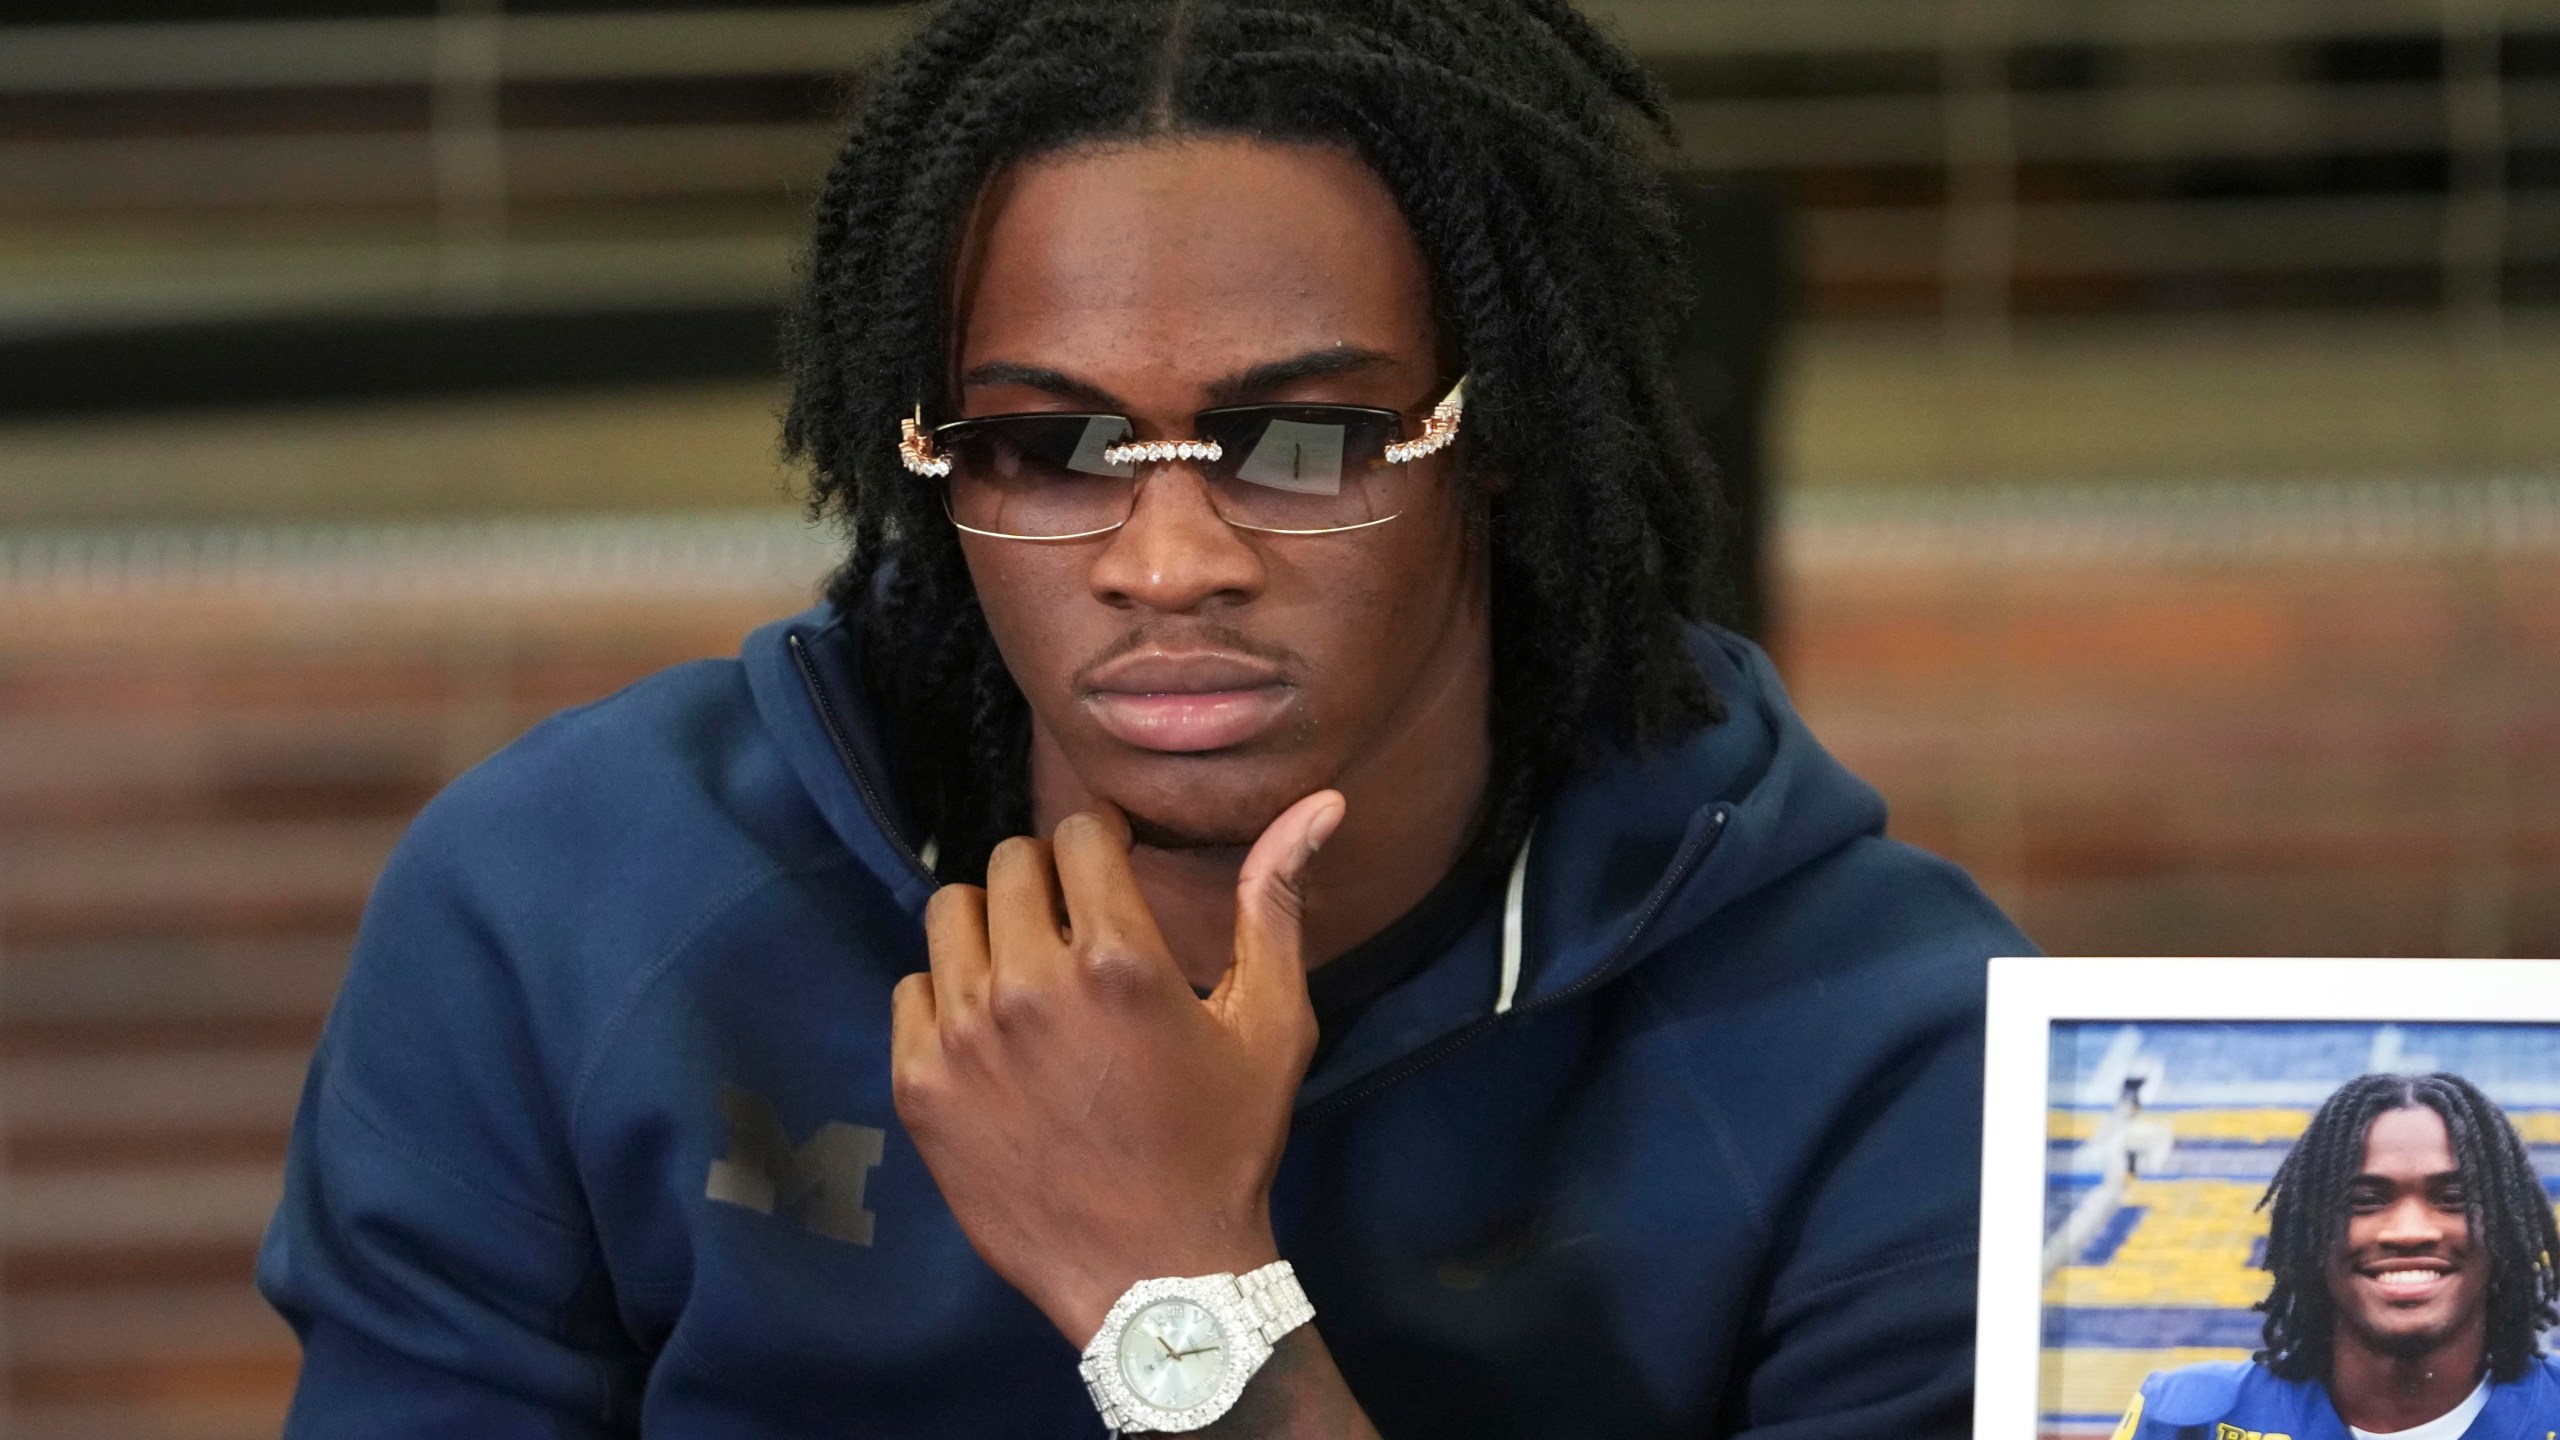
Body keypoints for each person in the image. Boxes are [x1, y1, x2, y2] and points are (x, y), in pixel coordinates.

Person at [256, 1, 2029, 1434]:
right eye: (1044, 448)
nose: (1168, 563)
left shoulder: (1888, 1052)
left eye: (1308, 441)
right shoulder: (567, 911)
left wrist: (1178, 1298)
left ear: (1500, 450)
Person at [2117, 1073, 2560, 1440]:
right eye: (2365, 1200)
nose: (2408, 1232)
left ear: (2506, 1226)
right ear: (2309, 1232)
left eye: (2454, 1199)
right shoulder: (2191, 1419)